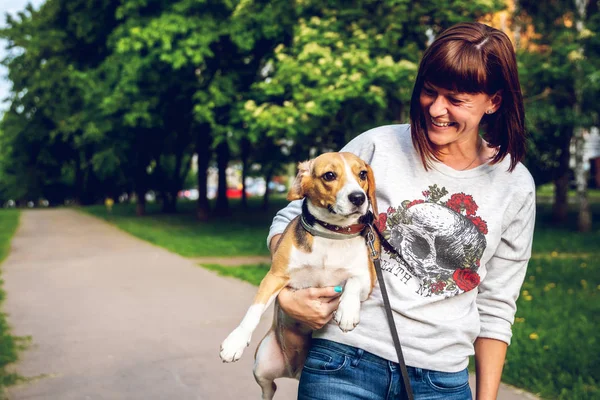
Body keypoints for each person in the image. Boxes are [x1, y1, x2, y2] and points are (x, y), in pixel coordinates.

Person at [267, 22, 535, 400]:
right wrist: (289, 294)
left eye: (456, 100)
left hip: (442, 381)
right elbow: (292, 219)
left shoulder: (514, 184)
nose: (437, 109)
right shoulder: (378, 147)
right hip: (345, 361)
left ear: (494, 101)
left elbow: (497, 304)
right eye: (429, 91)